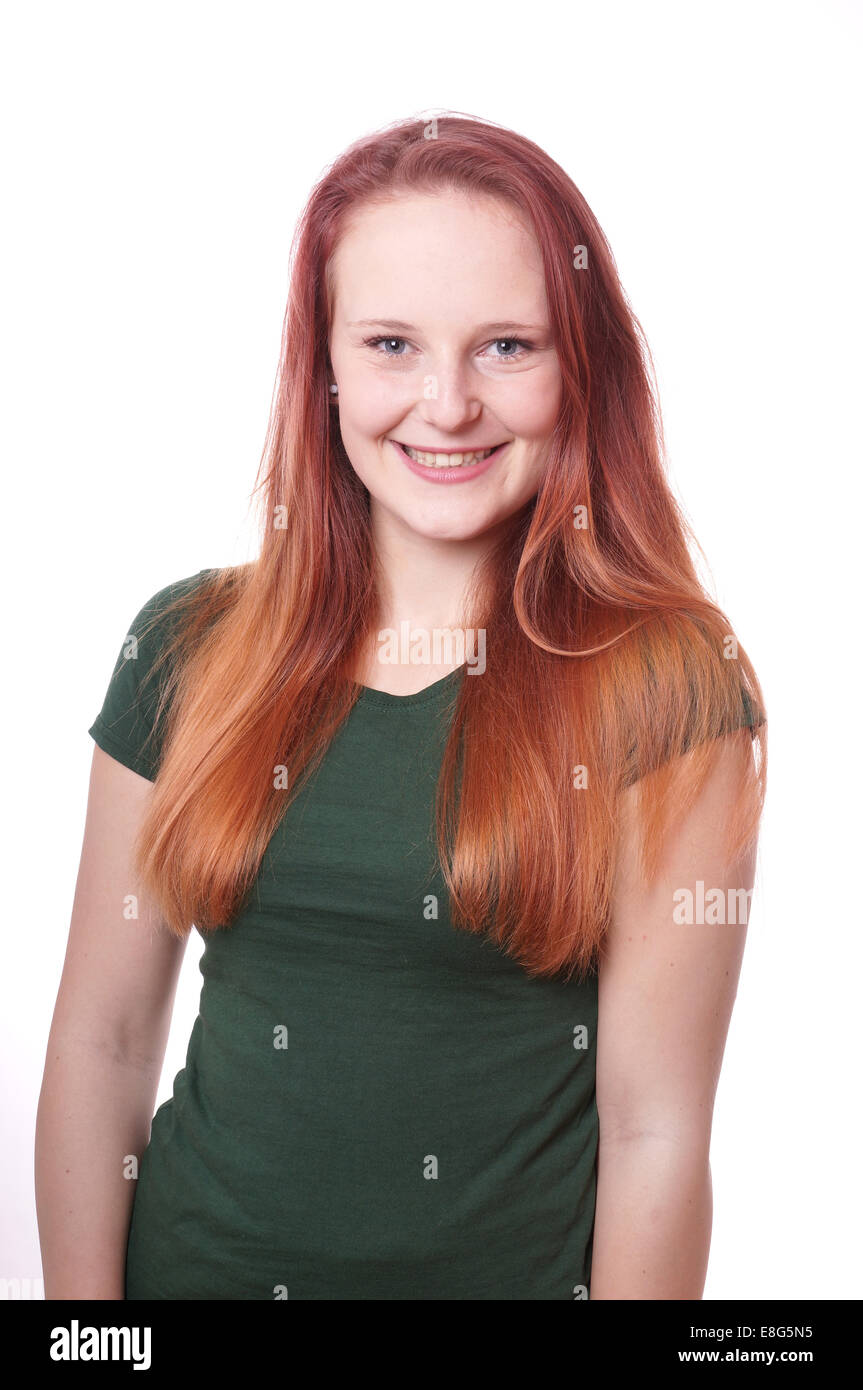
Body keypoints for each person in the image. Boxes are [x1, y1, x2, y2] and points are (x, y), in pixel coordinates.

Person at [35, 112, 766, 1301]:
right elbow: (102, 1044)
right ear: (321, 367)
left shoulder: (669, 682)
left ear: (579, 366)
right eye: (388, 343)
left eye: (505, 347)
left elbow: (654, 1130)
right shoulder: (184, 645)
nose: (444, 404)